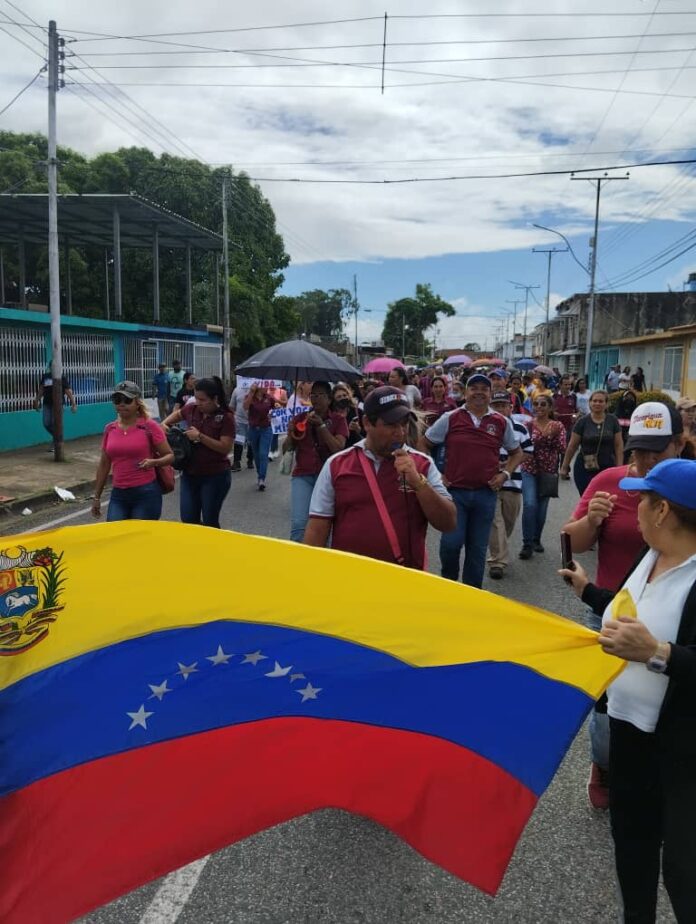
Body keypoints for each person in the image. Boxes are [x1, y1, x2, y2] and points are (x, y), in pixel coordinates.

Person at [560, 458, 696, 924]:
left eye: (641, 499)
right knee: (633, 852)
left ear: (663, 512)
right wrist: (587, 593)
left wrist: (659, 653)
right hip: (629, 733)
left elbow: (652, 644)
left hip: (683, 751)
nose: (631, 506)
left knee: (683, 870)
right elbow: (627, 612)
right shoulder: (649, 555)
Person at [561, 402, 686, 811]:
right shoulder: (610, 482)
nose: (645, 461)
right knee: (608, 709)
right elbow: (572, 545)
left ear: (680, 444)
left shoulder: (690, 488)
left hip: (678, 619)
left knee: (669, 709)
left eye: (657, 451)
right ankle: (605, 765)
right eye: (637, 451)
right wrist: (592, 522)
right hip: (611, 611)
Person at [304, 387, 456, 566]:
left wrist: (419, 483)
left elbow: (448, 523)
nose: (400, 432)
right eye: (391, 424)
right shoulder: (337, 465)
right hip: (349, 579)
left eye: (404, 423)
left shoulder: (423, 464)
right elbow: (317, 530)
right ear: (367, 423)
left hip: (405, 580)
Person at [421, 373, 524, 588]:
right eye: (473, 388)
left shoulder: (501, 422)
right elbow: (424, 444)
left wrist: (504, 475)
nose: (478, 392)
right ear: (465, 393)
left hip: (485, 494)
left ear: (489, 394)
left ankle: (471, 596)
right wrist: (436, 475)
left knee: (476, 551)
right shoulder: (451, 418)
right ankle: (449, 587)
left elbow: (517, 453)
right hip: (454, 494)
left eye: (484, 389)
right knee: (451, 544)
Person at [92, 381, 172, 522]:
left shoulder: (149, 426)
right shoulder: (110, 429)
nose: (122, 404)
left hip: (146, 493)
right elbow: (104, 464)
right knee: (117, 537)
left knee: (138, 539)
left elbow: (170, 456)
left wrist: (154, 462)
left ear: (137, 403)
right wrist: (96, 497)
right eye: (117, 400)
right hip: (119, 494)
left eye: (127, 400)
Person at [163, 377, 235, 528]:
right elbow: (177, 415)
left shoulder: (226, 417)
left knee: (209, 520)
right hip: (190, 473)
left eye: (203, 400)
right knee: (188, 518)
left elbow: (225, 448)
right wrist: (164, 424)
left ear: (214, 398)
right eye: (196, 398)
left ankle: (213, 548)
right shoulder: (192, 409)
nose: (198, 402)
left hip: (215, 476)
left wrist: (200, 437)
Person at [283, 381, 348, 542]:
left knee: (324, 525)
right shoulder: (301, 418)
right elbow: (287, 448)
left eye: (320, 395)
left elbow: (338, 449)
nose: (316, 398)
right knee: (299, 523)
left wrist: (321, 427)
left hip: (328, 478)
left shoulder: (338, 420)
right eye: (313, 395)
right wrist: (290, 433)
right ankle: (298, 560)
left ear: (329, 399)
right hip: (303, 475)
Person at [486, 390, 534, 580]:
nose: (499, 409)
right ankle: (497, 561)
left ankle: (499, 550)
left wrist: (509, 463)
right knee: (495, 521)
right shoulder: (486, 426)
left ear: (510, 407)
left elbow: (528, 451)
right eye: (495, 405)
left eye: (502, 405)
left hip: (513, 481)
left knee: (508, 521)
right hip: (490, 482)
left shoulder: (520, 428)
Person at [518, 394, 566, 560]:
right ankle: (527, 543)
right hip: (528, 469)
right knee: (530, 504)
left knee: (541, 508)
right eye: (536, 404)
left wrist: (550, 436)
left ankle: (537, 538)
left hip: (548, 472)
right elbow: (521, 445)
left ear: (550, 407)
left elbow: (562, 447)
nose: (539, 407)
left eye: (543, 404)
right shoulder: (528, 425)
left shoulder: (558, 426)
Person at [560, 390, 623, 495]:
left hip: (607, 468)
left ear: (607, 404)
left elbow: (618, 445)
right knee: (587, 499)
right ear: (590, 403)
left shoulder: (612, 421)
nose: (597, 403)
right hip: (584, 467)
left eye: (601, 401)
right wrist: (564, 466)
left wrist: (619, 467)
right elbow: (572, 446)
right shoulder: (582, 421)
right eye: (594, 401)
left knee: (604, 500)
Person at [244, 383, 275, 491]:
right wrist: (251, 393)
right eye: (264, 385)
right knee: (256, 455)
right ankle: (259, 474)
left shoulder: (269, 398)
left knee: (263, 454)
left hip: (266, 429)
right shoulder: (250, 396)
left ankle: (262, 479)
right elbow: (245, 407)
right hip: (253, 430)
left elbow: (277, 407)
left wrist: (274, 413)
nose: (266, 387)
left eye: (267, 385)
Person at [35, 368, 77, 441]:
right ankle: (58, 438)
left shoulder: (61, 377)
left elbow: (67, 391)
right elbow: (41, 389)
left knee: (55, 423)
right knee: (46, 423)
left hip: (58, 404)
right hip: (47, 403)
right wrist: (36, 400)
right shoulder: (45, 377)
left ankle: (56, 442)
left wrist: (73, 404)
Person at [229, 380, 254, 473]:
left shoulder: (256, 390)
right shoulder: (236, 390)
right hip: (239, 420)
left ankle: (250, 459)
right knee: (238, 441)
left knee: (251, 441)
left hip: (252, 421)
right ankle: (236, 462)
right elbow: (232, 406)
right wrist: (234, 417)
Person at [552, 374, 578, 440]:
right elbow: (549, 410)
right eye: (565, 385)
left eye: (569, 384)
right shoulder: (554, 396)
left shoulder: (573, 396)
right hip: (556, 426)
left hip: (569, 427)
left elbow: (577, 411)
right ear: (560, 385)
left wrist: (575, 416)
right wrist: (553, 413)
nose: (568, 387)